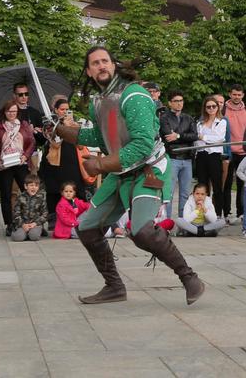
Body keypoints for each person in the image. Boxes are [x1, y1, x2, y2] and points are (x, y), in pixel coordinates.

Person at [52, 46, 204, 305]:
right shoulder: (98, 102)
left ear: (114, 65)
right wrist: (67, 133)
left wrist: (100, 165)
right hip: (119, 172)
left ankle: (189, 277)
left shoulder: (134, 96)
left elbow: (143, 144)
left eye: (105, 61)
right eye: (95, 63)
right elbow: (102, 138)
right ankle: (114, 286)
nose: (101, 66)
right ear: (88, 71)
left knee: (143, 231)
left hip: (148, 169)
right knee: (87, 228)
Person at [0, 98, 36, 235]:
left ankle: (31, 221)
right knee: (6, 194)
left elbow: (31, 143)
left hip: (20, 162)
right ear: (5, 112)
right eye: (9, 111)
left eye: (14, 111)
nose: (12, 114)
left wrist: (25, 156)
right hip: (4, 165)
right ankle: (9, 223)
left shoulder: (24, 125)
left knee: (29, 191)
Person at [41, 96, 89, 218]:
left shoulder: (74, 123)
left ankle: (76, 215)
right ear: (56, 110)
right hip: (54, 162)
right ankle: (53, 217)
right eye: (62, 109)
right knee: (54, 188)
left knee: (74, 186)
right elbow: (54, 142)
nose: (65, 112)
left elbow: (81, 144)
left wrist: (73, 127)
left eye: (67, 109)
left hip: (71, 160)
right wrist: (63, 128)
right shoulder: (49, 122)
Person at [160, 90, 198, 218]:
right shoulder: (164, 118)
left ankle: (183, 222)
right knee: (168, 193)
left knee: (185, 194)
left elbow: (194, 136)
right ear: (170, 103)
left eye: (181, 101)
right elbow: (167, 136)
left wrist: (178, 135)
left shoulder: (188, 118)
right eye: (176, 101)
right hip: (172, 158)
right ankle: (167, 222)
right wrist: (183, 137)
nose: (179, 103)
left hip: (187, 159)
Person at [222, 85, 246, 224]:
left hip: (244, 152)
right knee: (226, 184)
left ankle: (242, 212)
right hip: (228, 152)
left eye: (239, 95)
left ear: (243, 95)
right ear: (230, 94)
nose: (237, 97)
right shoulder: (222, 109)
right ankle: (226, 212)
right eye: (234, 94)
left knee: (243, 185)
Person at [194, 98, 228, 217]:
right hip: (201, 156)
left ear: (218, 107)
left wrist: (204, 138)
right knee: (202, 186)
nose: (211, 109)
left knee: (217, 186)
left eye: (214, 106)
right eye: (208, 107)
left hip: (214, 156)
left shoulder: (222, 122)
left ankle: (217, 214)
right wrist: (206, 138)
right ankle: (202, 213)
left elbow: (219, 139)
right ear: (205, 108)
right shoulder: (199, 123)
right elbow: (197, 142)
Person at [11, 173, 48, 241]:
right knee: (17, 238)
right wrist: (22, 224)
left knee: (34, 237)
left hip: (35, 224)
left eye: (36, 185)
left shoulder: (41, 198)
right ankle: (23, 233)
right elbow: (16, 213)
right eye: (31, 185)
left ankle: (37, 231)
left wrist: (35, 223)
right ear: (25, 186)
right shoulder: (20, 198)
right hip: (22, 224)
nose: (34, 187)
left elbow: (45, 214)